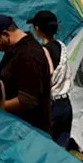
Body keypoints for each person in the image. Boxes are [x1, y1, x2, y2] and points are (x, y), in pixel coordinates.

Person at [0, 14, 52, 135]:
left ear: (5, 34)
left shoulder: (29, 55)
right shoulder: (15, 50)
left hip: (31, 132)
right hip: (17, 128)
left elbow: (27, 100)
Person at [29, 10, 72, 147]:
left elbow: (48, 74)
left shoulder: (44, 50)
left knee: (47, 148)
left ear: (37, 29)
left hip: (51, 105)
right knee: (62, 149)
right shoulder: (62, 46)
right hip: (66, 102)